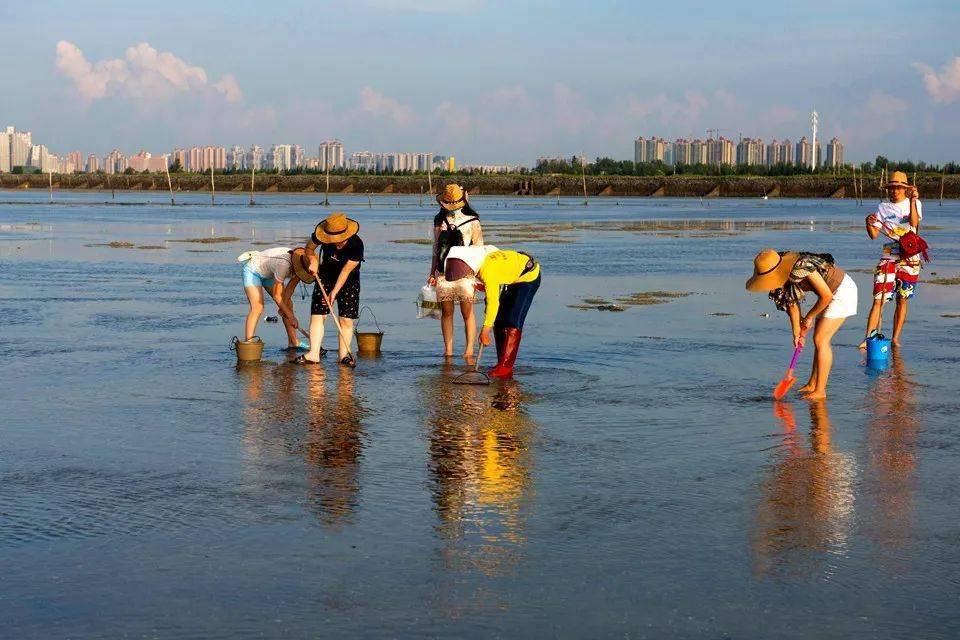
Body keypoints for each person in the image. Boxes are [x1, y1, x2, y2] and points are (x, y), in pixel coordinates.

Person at [746, 249, 858, 400]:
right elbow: (792, 305)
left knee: (821, 340)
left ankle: (820, 391)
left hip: (842, 290)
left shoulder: (800, 267)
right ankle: (812, 384)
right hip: (829, 294)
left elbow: (826, 296)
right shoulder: (782, 280)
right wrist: (797, 333)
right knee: (817, 339)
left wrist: (809, 317)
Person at [443, 245, 541, 379]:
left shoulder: (488, 271)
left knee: (513, 321)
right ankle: (501, 362)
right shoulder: (480, 259)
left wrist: (485, 330)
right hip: (513, 276)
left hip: (529, 276)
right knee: (499, 320)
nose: (464, 275)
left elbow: (493, 302)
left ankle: (505, 367)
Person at [860, 170, 923, 349]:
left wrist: (912, 201)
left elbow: (914, 223)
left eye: (898, 188)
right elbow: (873, 235)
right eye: (891, 188)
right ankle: (868, 338)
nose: (894, 191)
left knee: (902, 299)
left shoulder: (915, 203)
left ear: (905, 189)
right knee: (879, 297)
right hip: (889, 254)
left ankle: (895, 338)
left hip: (910, 256)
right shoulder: (883, 207)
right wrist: (868, 222)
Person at [295, 213, 364, 367]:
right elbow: (309, 248)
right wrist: (312, 260)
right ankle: (313, 354)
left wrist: (334, 292)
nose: (337, 243)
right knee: (319, 315)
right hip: (325, 276)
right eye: (334, 240)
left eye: (341, 240)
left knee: (346, 319)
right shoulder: (320, 235)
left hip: (349, 280)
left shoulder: (357, 244)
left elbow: (346, 271)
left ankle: (343, 355)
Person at [429, 184, 484, 359]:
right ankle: (455, 350)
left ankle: (462, 350)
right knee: (456, 312)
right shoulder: (467, 221)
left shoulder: (470, 221)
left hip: (456, 272)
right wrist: (432, 273)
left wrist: (432, 272)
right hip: (458, 271)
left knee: (459, 312)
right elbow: (478, 248)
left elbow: (437, 249)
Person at [237, 247, 306, 350]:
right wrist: (291, 316)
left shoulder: (302, 267)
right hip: (253, 271)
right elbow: (276, 296)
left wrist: (284, 309)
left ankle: (293, 342)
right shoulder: (284, 265)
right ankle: (249, 343)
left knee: (288, 305)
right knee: (258, 307)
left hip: (270, 274)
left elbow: (289, 290)